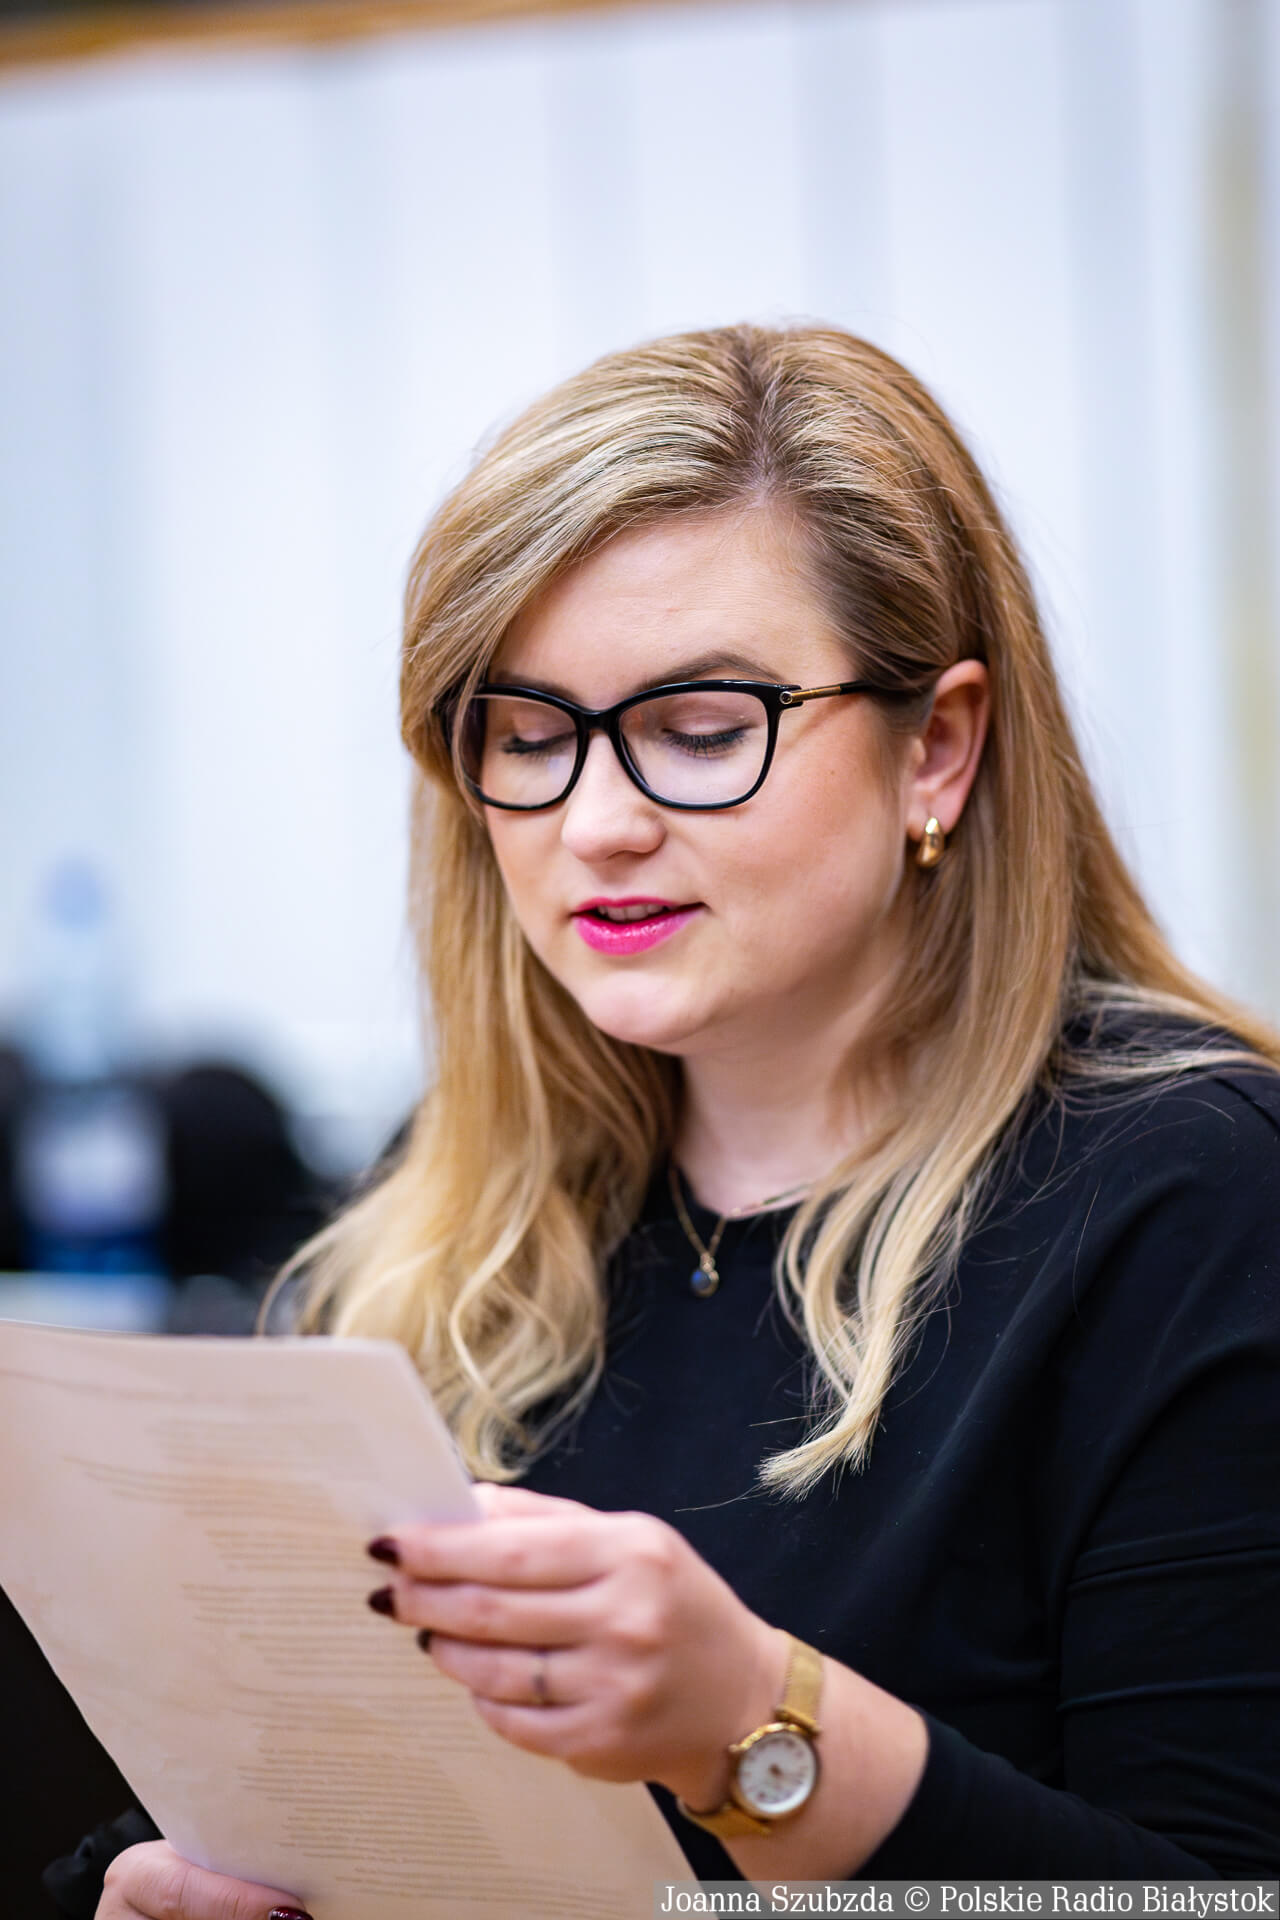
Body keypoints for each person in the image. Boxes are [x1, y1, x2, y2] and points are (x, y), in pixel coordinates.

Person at [84, 323, 1280, 1918]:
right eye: (528, 737)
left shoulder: (1193, 1197)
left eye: (702, 730)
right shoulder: (453, 1217)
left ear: (936, 748)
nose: (596, 822)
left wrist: (752, 1726)